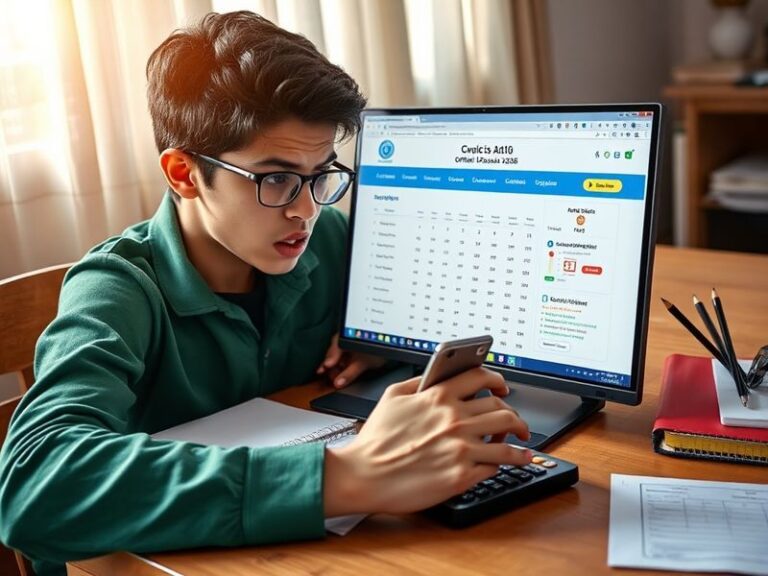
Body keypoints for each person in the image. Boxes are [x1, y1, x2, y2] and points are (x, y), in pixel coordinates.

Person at [0, 11, 531, 576]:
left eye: (320, 172)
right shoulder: (115, 290)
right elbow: (35, 485)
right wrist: (344, 477)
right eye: (275, 179)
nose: (305, 209)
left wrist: (376, 339)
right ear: (183, 174)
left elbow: (435, 310)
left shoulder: (323, 236)